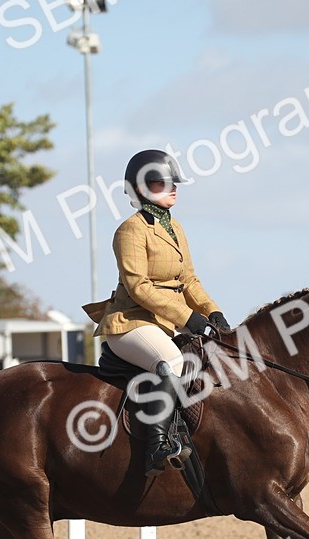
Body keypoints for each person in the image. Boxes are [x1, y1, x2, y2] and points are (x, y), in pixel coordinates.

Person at [83, 149, 232, 476]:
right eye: (162, 182)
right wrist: (188, 318)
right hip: (131, 323)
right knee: (175, 363)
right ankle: (157, 446)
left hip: (166, 322)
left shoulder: (175, 227)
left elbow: (189, 279)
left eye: (173, 181)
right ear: (139, 189)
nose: (172, 187)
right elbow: (139, 287)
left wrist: (212, 311)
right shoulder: (130, 231)